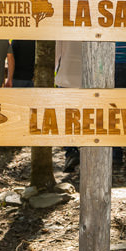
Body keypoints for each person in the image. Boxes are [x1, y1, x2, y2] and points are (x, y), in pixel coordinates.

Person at [55, 41, 83, 172]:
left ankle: (71, 151)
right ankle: (84, 149)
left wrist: (54, 72)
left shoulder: (63, 25)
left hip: (66, 75)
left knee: (68, 115)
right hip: (85, 76)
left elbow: (57, 54)